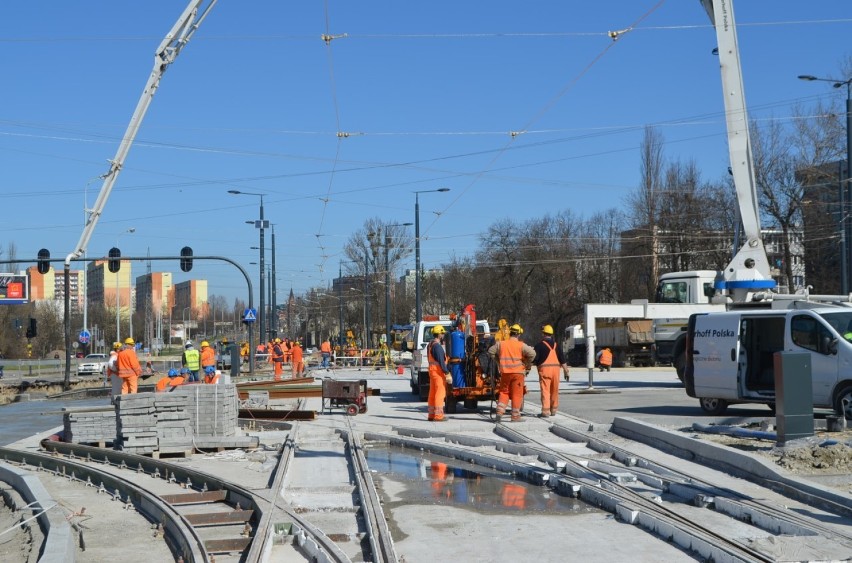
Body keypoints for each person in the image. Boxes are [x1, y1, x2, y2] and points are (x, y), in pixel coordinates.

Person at [488, 324, 536, 423]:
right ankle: (515, 416)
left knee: (504, 392)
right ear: (518, 334)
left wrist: (498, 361)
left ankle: (499, 412)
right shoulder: (521, 345)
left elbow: (490, 351)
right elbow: (532, 354)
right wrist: (526, 363)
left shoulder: (501, 344)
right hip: (518, 373)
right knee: (517, 394)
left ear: (510, 333)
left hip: (505, 372)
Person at [532, 325, 570, 418]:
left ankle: (545, 411)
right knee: (554, 391)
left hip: (545, 372)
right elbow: (562, 360)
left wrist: (528, 367)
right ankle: (553, 410)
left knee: (545, 391)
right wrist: (566, 371)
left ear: (543, 333)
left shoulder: (539, 346)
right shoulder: (557, 346)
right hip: (556, 372)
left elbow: (534, 360)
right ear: (551, 334)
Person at [427, 325, 452, 422]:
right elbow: (441, 361)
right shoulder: (437, 346)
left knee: (432, 393)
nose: (443, 335)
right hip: (438, 372)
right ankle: (438, 416)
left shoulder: (430, 345)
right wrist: (447, 372)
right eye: (442, 333)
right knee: (440, 393)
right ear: (439, 334)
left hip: (432, 371)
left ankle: (431, 415)